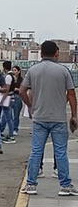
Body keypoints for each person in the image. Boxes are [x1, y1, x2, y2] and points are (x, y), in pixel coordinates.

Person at [19, 40, 78, 196]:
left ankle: (31, 184)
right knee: (61, 152)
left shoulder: (33, 70)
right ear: (56, 52)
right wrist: (74, 115)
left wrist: (30, 105)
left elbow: (22, 91)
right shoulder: (63, 71)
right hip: (58, 118)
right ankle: (65, 185)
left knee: (36, 151)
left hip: (39, 118)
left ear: (41, 53)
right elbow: (71, 94)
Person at [0, 61, 16, 144]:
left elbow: (7, 89)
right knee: (6, 117)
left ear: (4, 67)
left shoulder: (8, 77)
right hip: (11, 98)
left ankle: (11, 135)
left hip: (8, 98)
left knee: (8, 118)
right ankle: (1, 131)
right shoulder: (12, 76)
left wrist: (2, 100)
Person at [11, 66, 24, 136]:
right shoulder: (10, 78)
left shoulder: (21, 80)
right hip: (10, 96)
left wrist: (17, 89)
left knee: (16, 114)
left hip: (17, 97)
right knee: (8, 114)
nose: (14, 72)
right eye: (13, 70)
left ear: (19, 71)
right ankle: (9, 128)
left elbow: (23, 90)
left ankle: (15, 128)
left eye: (15, 70)